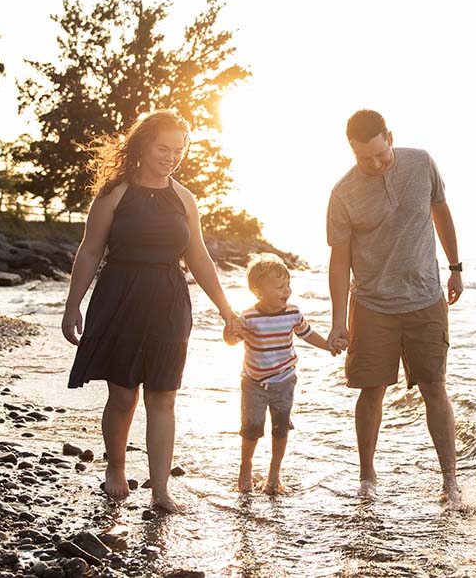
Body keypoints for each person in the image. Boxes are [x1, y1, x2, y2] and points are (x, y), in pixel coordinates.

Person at [62, 110, 242, 513]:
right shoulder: (115, 193)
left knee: (164, 395)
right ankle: (117, 470)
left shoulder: (184, 198)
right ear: (142, 146)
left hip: (168, 299)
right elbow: (90, 250)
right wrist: (73, 303)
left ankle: (161, 490)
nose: (172, 157)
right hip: (120, 296)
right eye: (164, 148)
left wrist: (227, 309)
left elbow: (198, 256)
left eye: (179, 150)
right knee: (124, 395)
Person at [326, 109, 464, 503]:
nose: (374, 164)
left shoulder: (420, 162)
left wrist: (455, 267)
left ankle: (450, 481)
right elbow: (340, 260)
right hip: (372, 304)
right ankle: (367, 478)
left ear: (390, 136)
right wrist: (339, 321)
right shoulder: (343, 193)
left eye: (380, 155)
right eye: (363, 157)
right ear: (351, 149)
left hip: (425, 297)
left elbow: (441, 212)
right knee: (371, 391)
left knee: (434, 387)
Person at [223, 253, 335, 494]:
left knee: (281, 427)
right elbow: (231, 340)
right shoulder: (249, 317)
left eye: (288, 285)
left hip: (284, 381)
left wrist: (328, 345)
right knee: (251, 428)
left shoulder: (292, 313)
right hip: (253, 383)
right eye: (280, 287)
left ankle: (274, 473)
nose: (287, 291)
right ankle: (246, 468)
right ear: (259, 292)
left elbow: (308, 333)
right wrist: (230, 329)